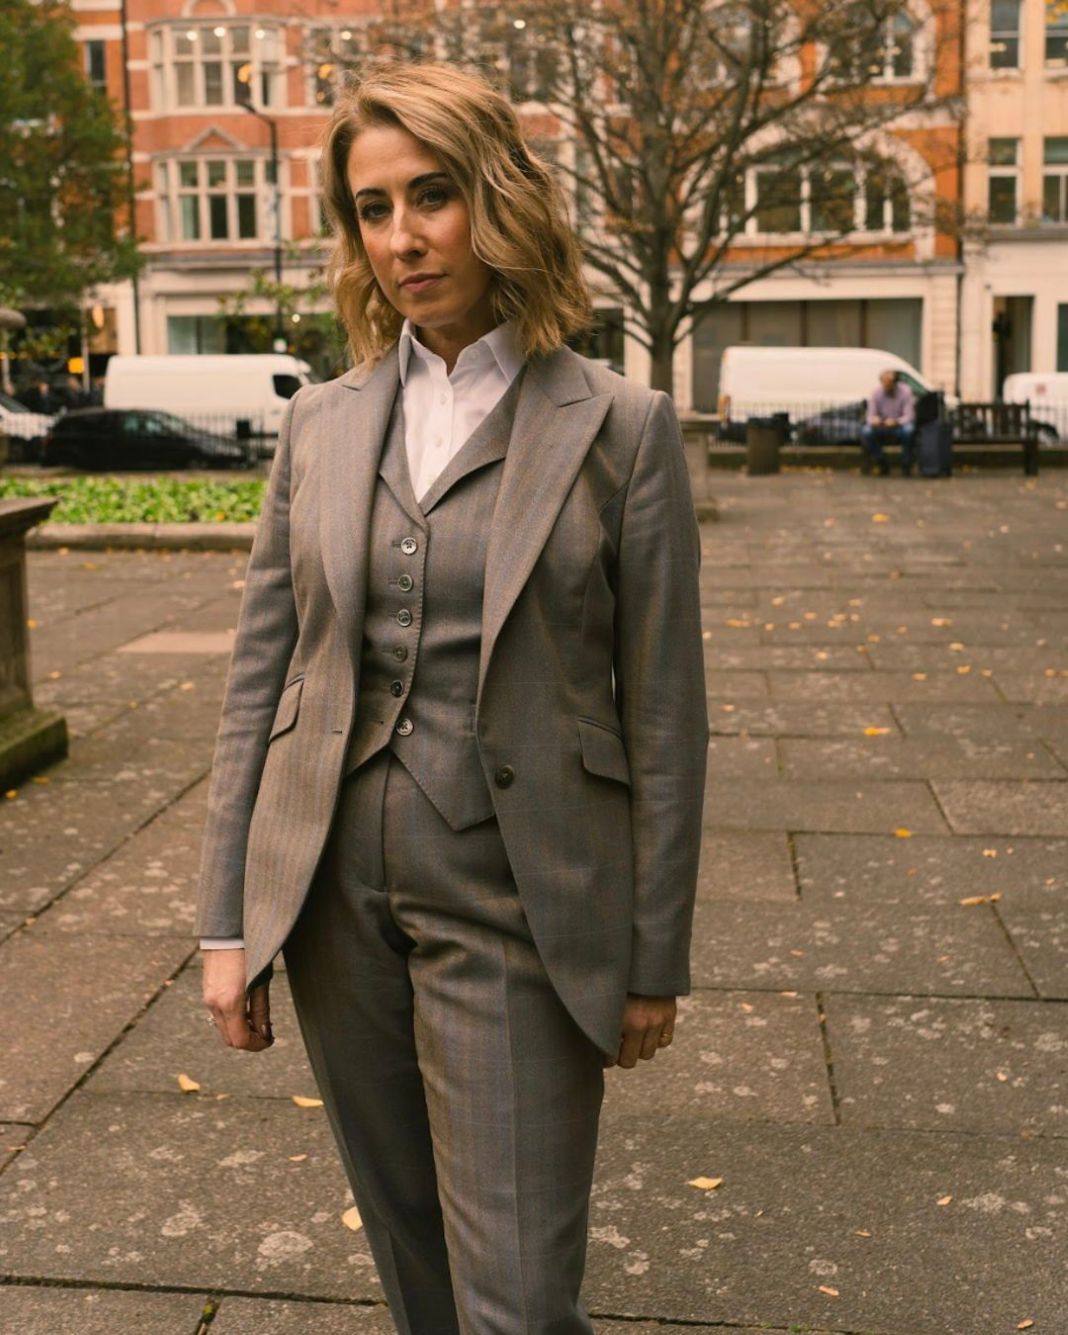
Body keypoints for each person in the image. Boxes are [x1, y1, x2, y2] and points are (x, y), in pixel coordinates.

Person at [195, 60, 708, 1334]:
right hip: (330, 895)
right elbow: (264, 675)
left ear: (499, 199)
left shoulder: (620, 426)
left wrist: (656, 952)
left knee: (520, 1297)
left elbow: (664, 711)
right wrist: (227, 921)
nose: (402, 237)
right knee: (418, 1268)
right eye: (372, 209)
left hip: (520, 894)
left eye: (432, 195)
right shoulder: (320, 423)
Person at [860, 368, 916, 475]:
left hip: (899, 426)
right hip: (882, 426)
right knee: (866, 431)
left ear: (895, 383)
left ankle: (906, 463)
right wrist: (875, 420)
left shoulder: (905, 392)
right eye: (884, 384)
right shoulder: (876, 392)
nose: (886, 387)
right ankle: (881, 461)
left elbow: (909, 416)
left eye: (889, 384)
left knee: (909, 430)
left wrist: (896, 422)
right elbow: (870, 416)